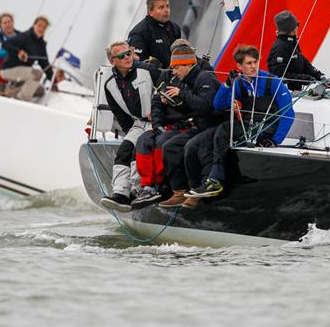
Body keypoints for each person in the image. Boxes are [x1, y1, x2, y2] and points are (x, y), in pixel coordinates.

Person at [183, 44, 294, 205]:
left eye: (255, 62)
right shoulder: (240, 82)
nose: (253, 66)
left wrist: (275, 140)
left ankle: (215, 180)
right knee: (208, 137)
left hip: (267, 130)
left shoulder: (273, 81)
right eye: (249, 63)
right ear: (239, 66)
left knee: (223, 129)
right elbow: (218, 104)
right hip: (247, 128)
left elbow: (288, 113)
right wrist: (227, 84)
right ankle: (205, 184)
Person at [133, 44, 223, 209]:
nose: (173, 72)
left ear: (188, 65)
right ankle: (178, 192)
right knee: (170, 146)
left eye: (176, 67)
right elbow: (191, 109)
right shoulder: (186, 79)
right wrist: (174, 103)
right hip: (200, 125)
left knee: (190, 147)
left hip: (214, 126)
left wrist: (182, 95)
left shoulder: (205, 78)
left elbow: (205, 107)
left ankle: (195, 190)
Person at [100, 41, 162, 212]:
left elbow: (164, 91)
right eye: (122, 56)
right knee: (124, 150)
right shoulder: (109, 83)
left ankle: (138, 190)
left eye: (129, 53)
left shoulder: (147, 70)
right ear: (112, 61)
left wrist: (157, 114)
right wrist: (130, 133)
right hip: (137, 123)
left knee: (139, 148)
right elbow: (119, 113)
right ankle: (120, 193)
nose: (127, 57)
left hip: (156, 121)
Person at [266, 10, 323, 91]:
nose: (297, 27)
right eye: (297, 25)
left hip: (297, 93)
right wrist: (303, 78)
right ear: (291, 29)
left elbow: (303, 62)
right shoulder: (280, 47)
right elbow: (279, 75)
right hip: (285, 94)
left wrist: (318, 75)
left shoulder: (291, 43)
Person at [0, 16, 53, 101]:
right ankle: (22, 99)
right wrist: (19, 52)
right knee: (37, 74)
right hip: (9, 69)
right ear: (34, 25)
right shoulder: (25, 36)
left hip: (22, 72)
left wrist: (54, 80)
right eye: (39, 25)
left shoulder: (41, 45)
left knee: (40, 90)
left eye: (44, 27)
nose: (41, 29)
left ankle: (10, 93)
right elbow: (6, 44)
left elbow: (45, 64)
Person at [127, 0, 181, 67]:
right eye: (161, 7)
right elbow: (136, 62)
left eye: (167, 6)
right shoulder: (139, 32)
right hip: (151, 77)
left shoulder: (175, 28)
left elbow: (181, 54)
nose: (166, 10)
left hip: (175, 75)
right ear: (150, 12)